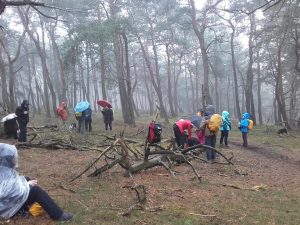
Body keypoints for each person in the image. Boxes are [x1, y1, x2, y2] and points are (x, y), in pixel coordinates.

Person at [0, 143, 73, 221]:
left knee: (26, 178)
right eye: (13, 158)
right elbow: (5, 193)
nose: (15, 160)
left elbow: (10, 185)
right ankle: (59, 215)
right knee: (36, 191)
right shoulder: (4, 171)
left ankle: (25, 209)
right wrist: (27, 185)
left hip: (7, 203)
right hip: (5, 209)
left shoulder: (4, 169)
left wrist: (25, 181)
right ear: (7, 159)